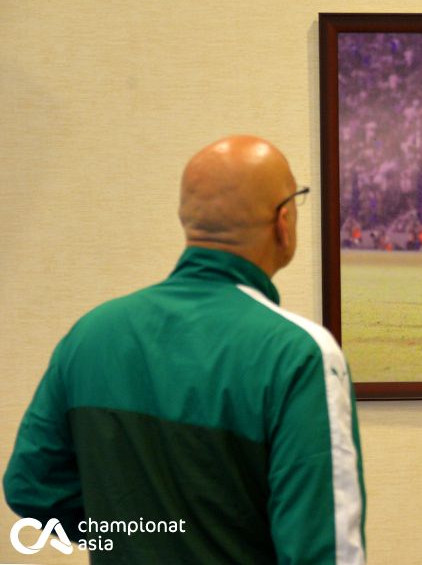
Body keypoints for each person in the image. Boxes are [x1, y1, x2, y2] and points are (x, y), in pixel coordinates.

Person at [3, 136, 366, 564]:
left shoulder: (91, 334)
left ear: (186, 219)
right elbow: (324, 550)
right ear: (283, 220)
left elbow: (32, 490)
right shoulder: (299, 353)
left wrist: (134, 540)